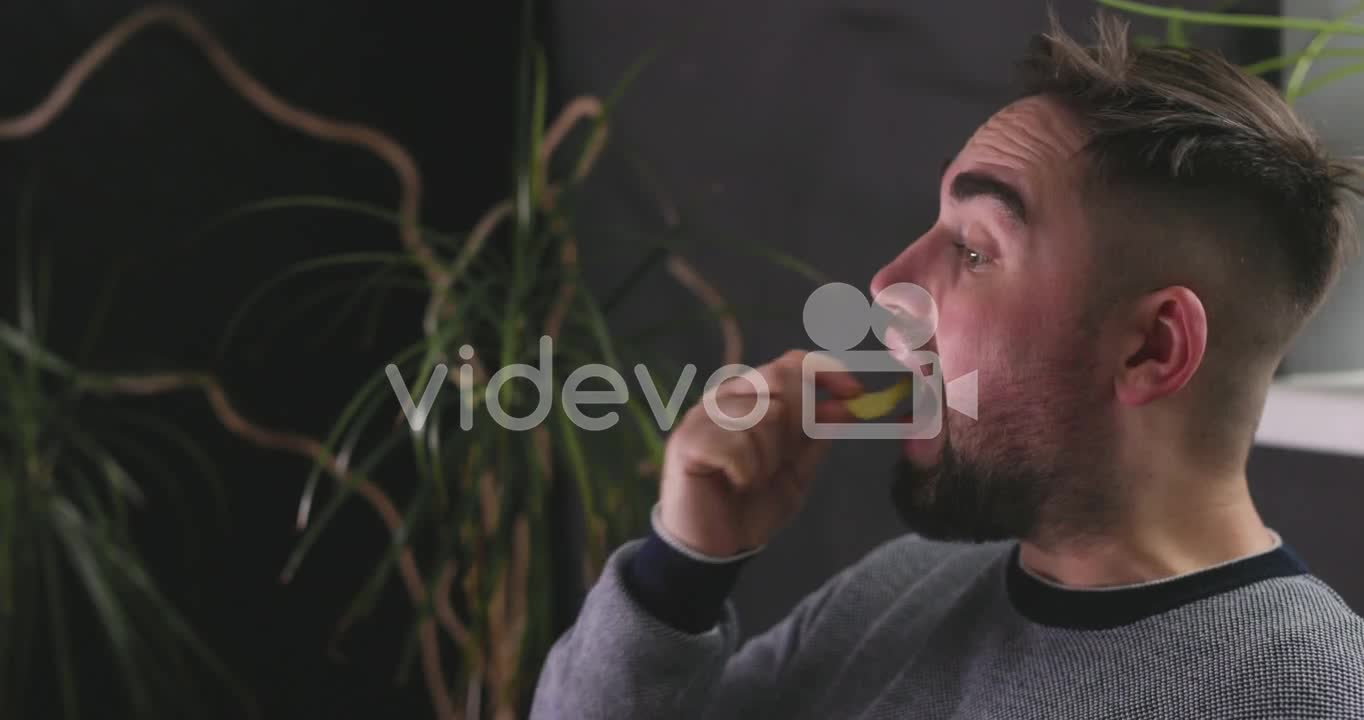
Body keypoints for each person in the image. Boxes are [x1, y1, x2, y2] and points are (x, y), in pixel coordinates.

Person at [530, 15, 1364, 720]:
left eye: (971, 247)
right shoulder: (895, 592)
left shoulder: (1306, 694)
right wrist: (681, 573)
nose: (887, 285)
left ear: (1152, 348)